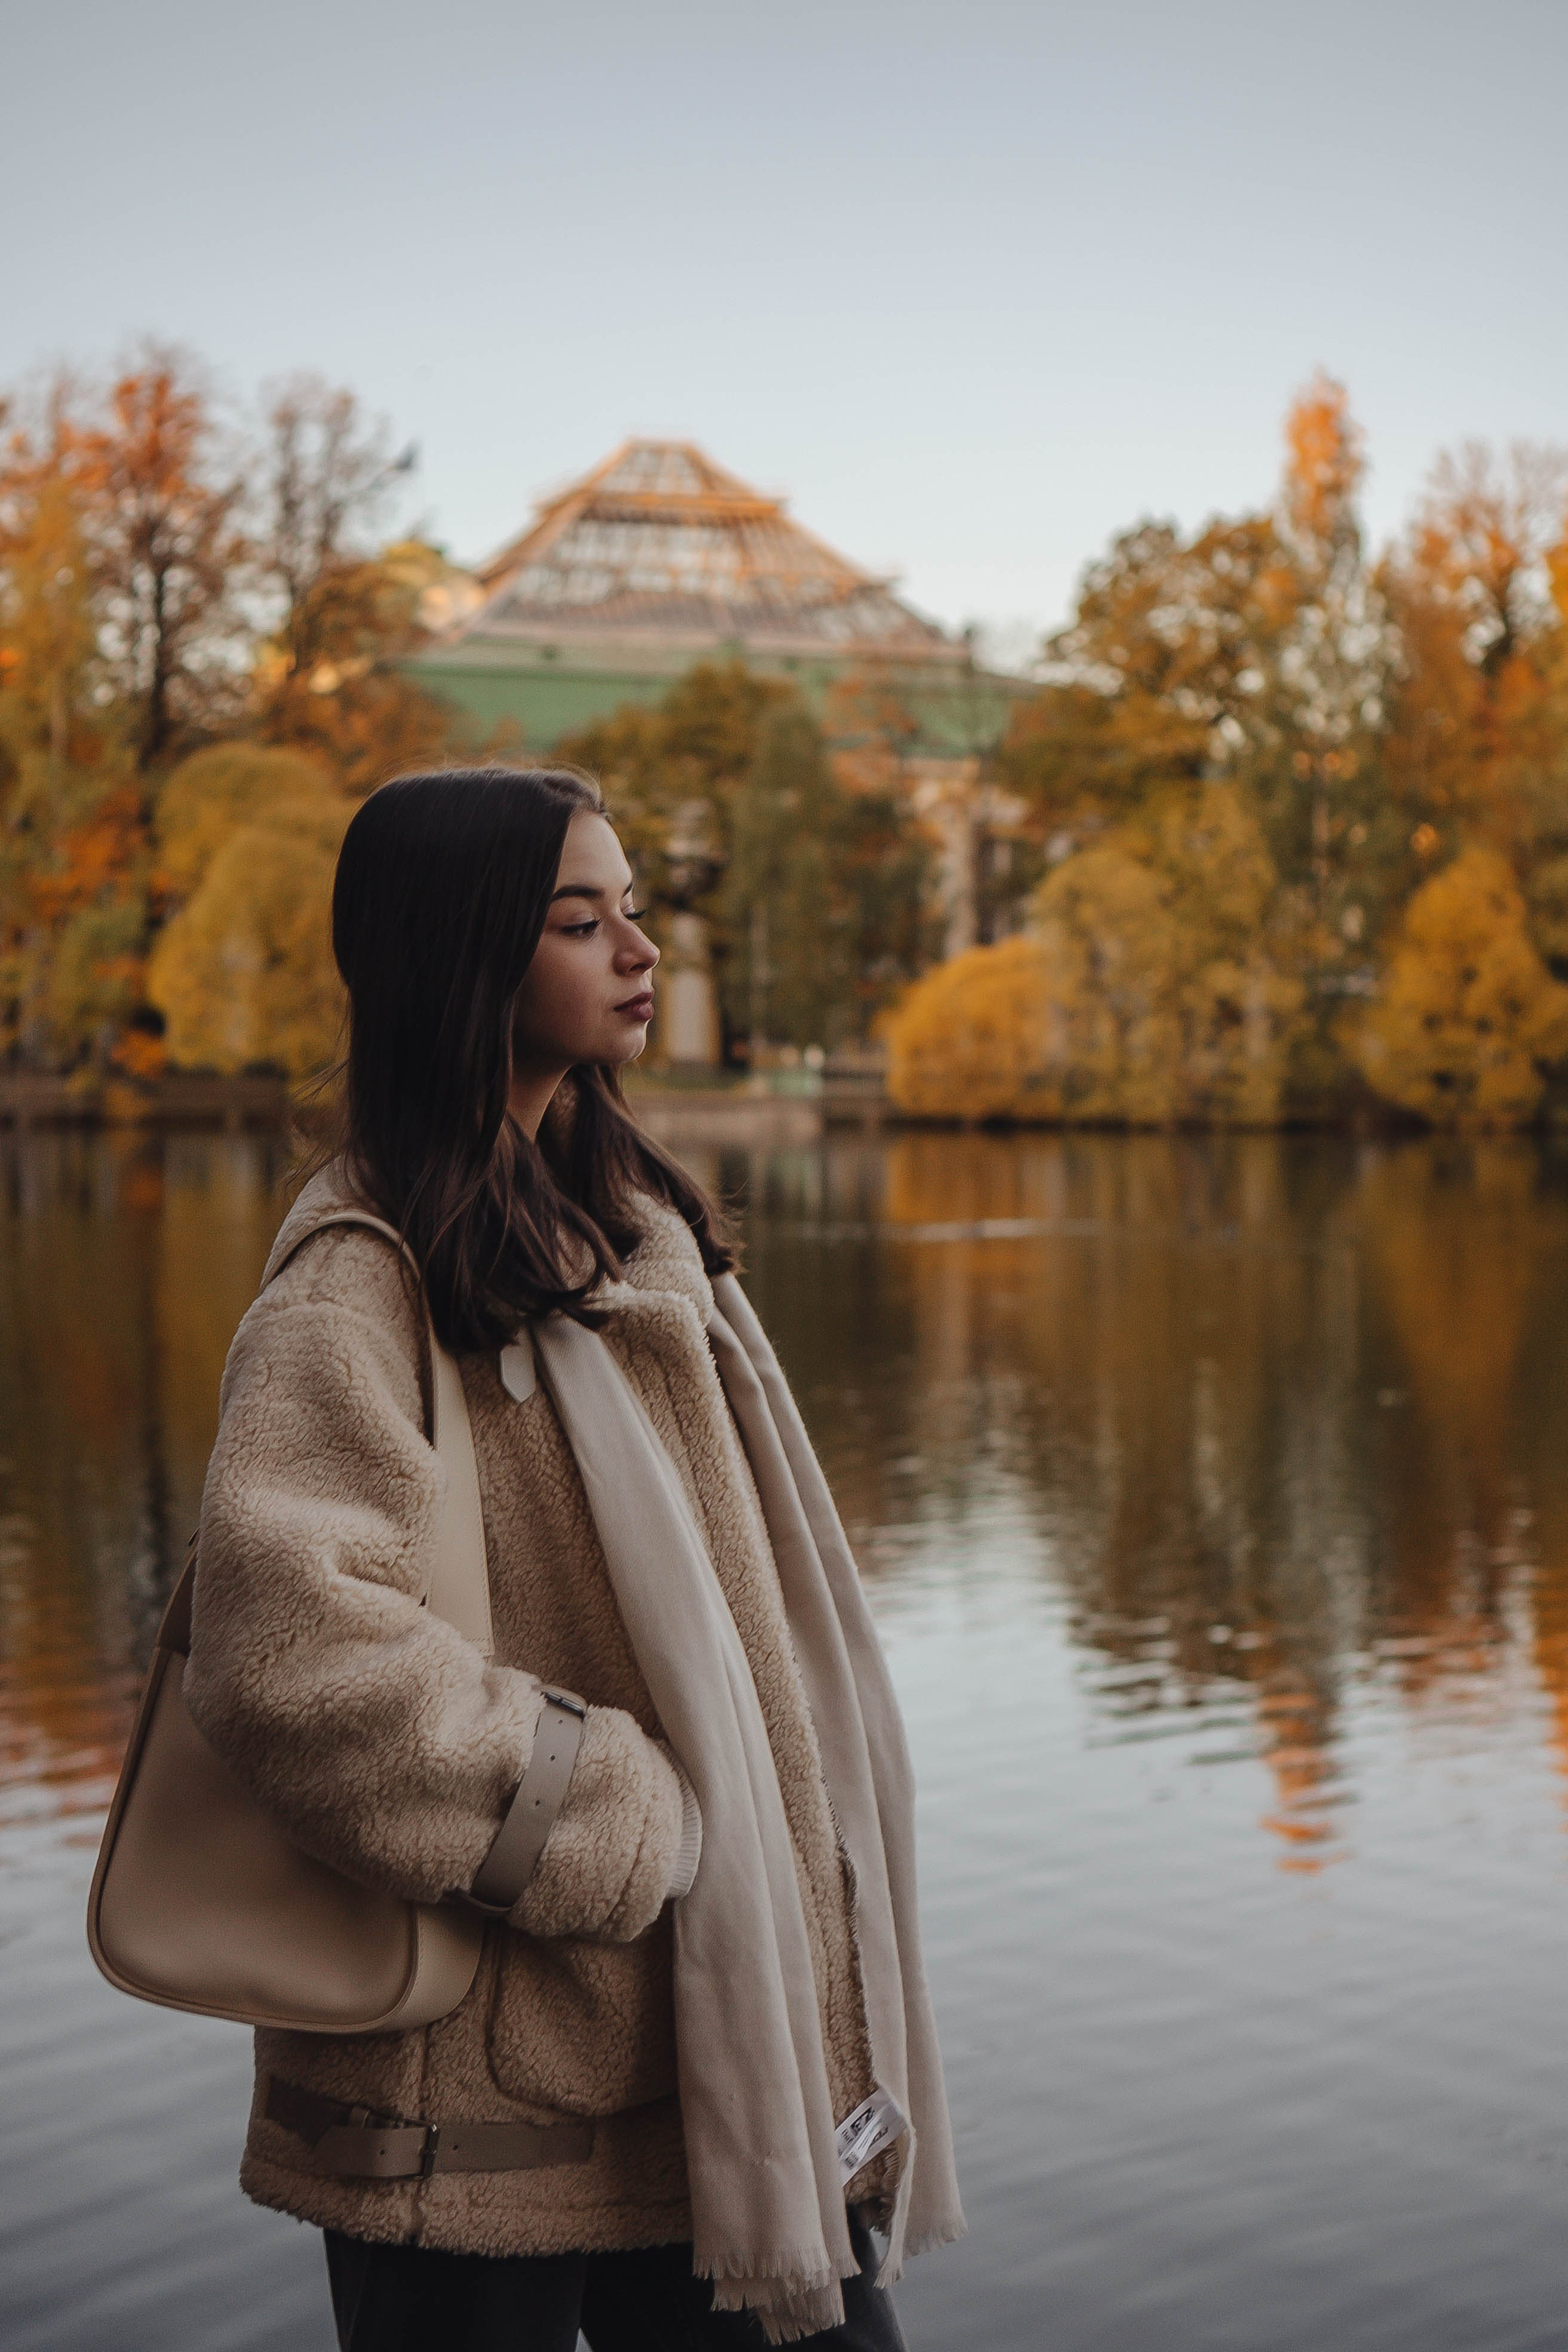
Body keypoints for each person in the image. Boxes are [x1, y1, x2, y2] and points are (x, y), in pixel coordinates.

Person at [184, 766, 963, 2351]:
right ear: (463, 958)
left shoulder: (625, 1245)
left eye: (636, 909)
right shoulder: (361, 1284)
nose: (638, 948)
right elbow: (288, 1655)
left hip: (699, 2046)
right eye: (578, 917)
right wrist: (622, 1817)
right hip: (475, 2093)